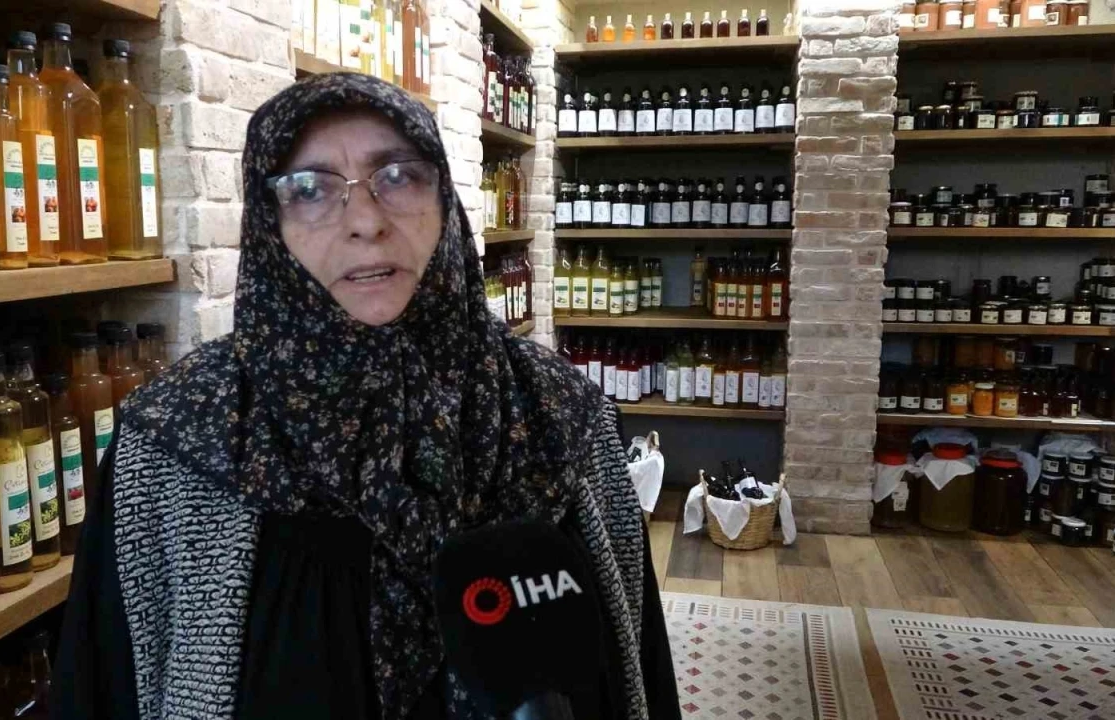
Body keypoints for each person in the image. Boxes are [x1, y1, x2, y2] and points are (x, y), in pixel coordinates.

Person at [52, 72, 680, 719]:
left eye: (399, 176)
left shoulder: (562, 415)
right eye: (310, 189)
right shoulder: (176, 441)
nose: (365, 221)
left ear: (445, 199)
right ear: (269, 222)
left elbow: (639, 676)